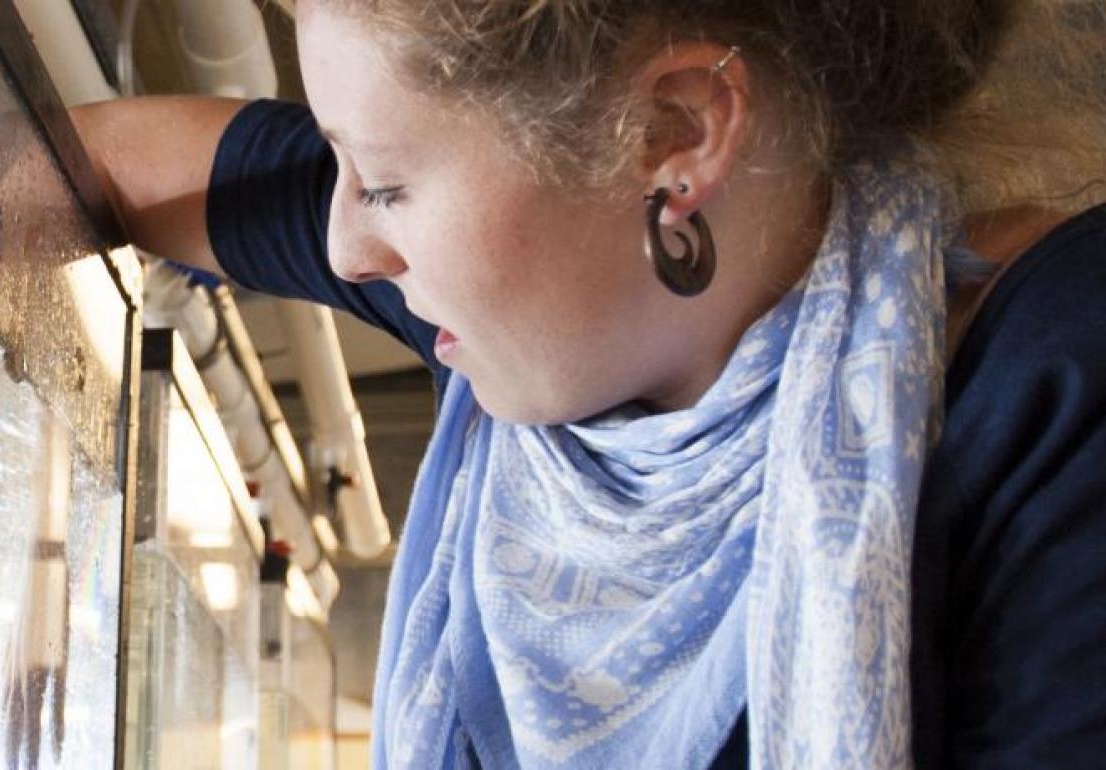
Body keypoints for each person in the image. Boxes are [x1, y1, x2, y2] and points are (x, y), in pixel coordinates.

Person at [72, 0, 1106, 767]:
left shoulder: (1054, 385)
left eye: (383, 182)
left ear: (671, 135)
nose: (345, 244)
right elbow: (97, 160)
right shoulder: (542, 335)